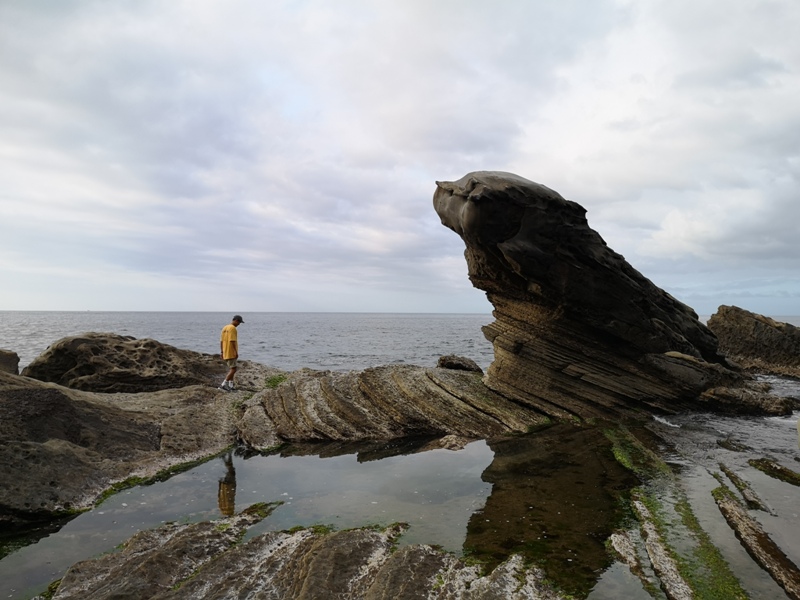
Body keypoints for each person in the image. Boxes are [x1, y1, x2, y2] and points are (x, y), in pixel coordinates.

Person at [219, 315, 244, 391]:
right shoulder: (233, 328)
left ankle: (231, 386)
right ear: (236, 320)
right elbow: (232, 341)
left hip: (225, 351)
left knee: (232, 368)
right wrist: (235, 352)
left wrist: (222, 352)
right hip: (231, 351)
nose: (239, 324)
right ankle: (223, 385)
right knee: (234, 369)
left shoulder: (225, 327)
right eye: (239, 322)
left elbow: (221, 341)